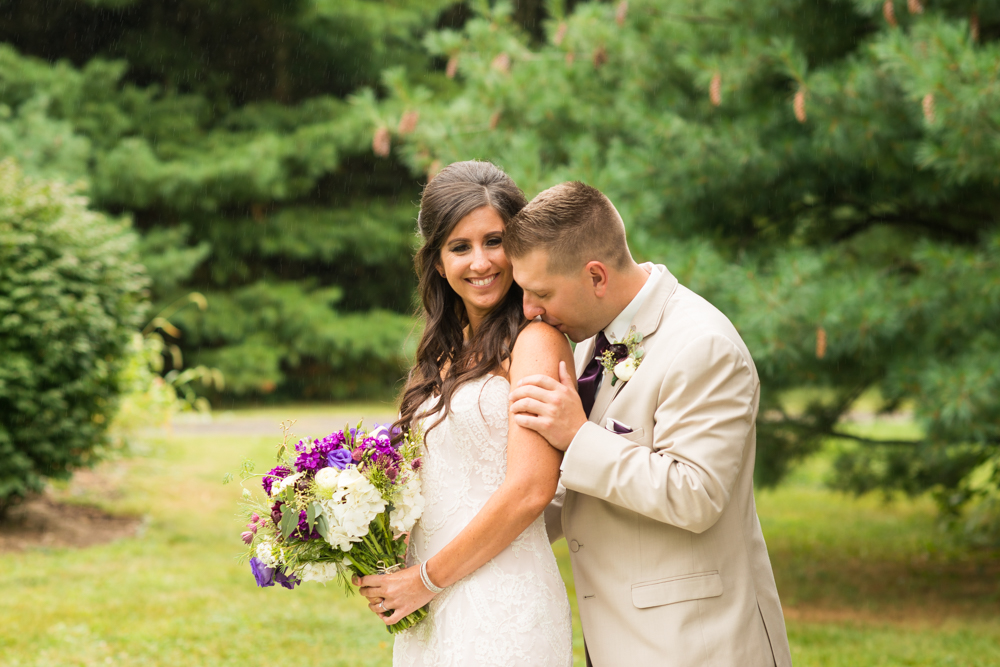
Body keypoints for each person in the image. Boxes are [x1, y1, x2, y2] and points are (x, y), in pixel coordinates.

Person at [506, 182, 793, 667]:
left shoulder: (703, 347)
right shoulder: (585, 338)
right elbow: (577, 487)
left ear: (596, 276)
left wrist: (577, 436)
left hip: (697, 644)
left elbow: (695, 493)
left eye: (541, 293)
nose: (530, 310)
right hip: (619, 639)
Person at [357, 161, 574, 666]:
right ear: (437, 261)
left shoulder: (536, 341)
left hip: (502, 603)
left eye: (494, 241)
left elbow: (530, 489)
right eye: (460, 247)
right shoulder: (442, 353)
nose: (481, 262)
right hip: (432, 605)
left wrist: (425, 578)